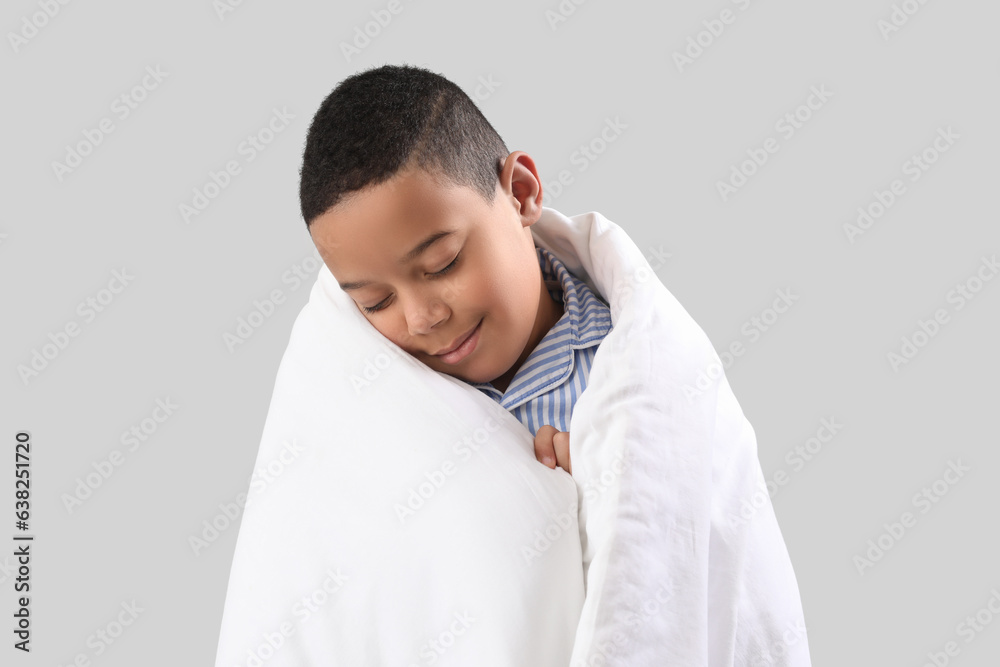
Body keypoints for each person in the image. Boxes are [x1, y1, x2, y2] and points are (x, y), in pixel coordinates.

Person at [300, 63, 614, 477]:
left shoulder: (627, 365)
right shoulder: (378, 401)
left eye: (443, 263)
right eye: (377, 303)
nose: (421, 318)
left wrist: (602, 494)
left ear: (520, 194)